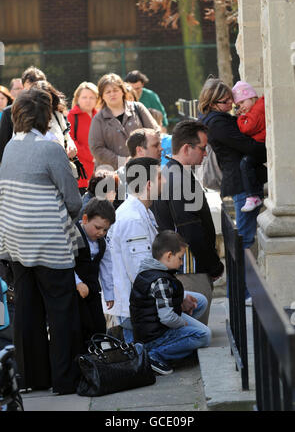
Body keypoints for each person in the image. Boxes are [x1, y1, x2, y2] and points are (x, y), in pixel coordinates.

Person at [0, 87, 84, 394]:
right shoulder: (50, 149)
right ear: (46, 116)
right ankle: (65, 380)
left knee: (27, 310)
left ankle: (32, 377)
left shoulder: (10, 147)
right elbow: (73, 200)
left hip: (14, 241)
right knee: (61, 310)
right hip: (49, 242)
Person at [198, 77, 267, 303]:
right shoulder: (217, 123)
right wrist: (269, 149)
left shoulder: (217, 119)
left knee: (243, 239)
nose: (232, 105)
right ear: (214, 101)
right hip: (240, 185)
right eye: (227, 101)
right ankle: (241, 294)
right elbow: (246, 146)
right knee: (244, 241)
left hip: (239, 183)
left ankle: (240, 293)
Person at [152, 120, 224, 324]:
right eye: (203, 148)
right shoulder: (179, 179)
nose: (205, 154)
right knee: (196, 334)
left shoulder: (170, 173)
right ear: (186, 148)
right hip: (191, 270)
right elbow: (190, 231)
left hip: (185, 268)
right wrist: (214, 265)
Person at [130, 230, 211, 375]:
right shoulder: (160, 281)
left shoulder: (148, 269)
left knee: (199, 302)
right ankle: (155, 355)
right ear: (168, 255)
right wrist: (181, 323)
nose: (181, 263)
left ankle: (178, 345)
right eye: (180, 258)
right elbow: (167, 317)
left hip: (151, 327)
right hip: (154, 336)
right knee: (203, 336)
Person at [108, 157, 161, 342]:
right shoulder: (132, 218)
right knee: (201, 334)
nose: (163, 182)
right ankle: (150, 355)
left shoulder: (143, 211)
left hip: (144, 300)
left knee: (198, 303)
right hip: (135, 308)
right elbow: (141, 273)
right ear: (148, 185)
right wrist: (169, 302)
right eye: (160, 177)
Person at [88, 73, 160, 172]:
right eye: (108, 92)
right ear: (102, 96)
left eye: (115, 90)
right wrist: (123, 161)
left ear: (122, 91)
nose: (112, 94)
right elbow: (96, 148)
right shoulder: (98, 119)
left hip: (144, 169)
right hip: (113, 175)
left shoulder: (138, 108)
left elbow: (155, 133)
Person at [75, 198, 115, 345]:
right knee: (81, 327)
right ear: (85, 219)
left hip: (92, 290)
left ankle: (97, 357)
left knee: (98, 325)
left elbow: (106, 267)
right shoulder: (74, 234)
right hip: (74, 291)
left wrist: (109, 292)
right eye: (97, 227)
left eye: (105, 230)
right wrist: (77, 282)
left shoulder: (102, 243)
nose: (101, 233)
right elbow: (65, 262)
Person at [232, 81, 266, 212]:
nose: (241, 107)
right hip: (260, 143)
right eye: (238, 105)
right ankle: (257, 194)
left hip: (260, 144)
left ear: (252, 97)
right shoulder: (257, 108)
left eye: (242, 102)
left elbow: (247, 128)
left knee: (245, 164)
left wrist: (241, 117)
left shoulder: (257, 110)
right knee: (250, 165)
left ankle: (252, 196)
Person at [0, 66, 46, 162]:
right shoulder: (9, 113)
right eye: (29, 89)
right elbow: (3, 146)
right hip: (18, 164)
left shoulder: (52, 110)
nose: (33, 93)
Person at [68, 81, 99, 194]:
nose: (88, 100)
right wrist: (92, 155)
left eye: (91, 97)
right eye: (84, 97)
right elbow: (70, 141)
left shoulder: (100, 116)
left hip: (100, 171)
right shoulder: (71, 116)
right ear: (77, 98)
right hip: (81, 173)